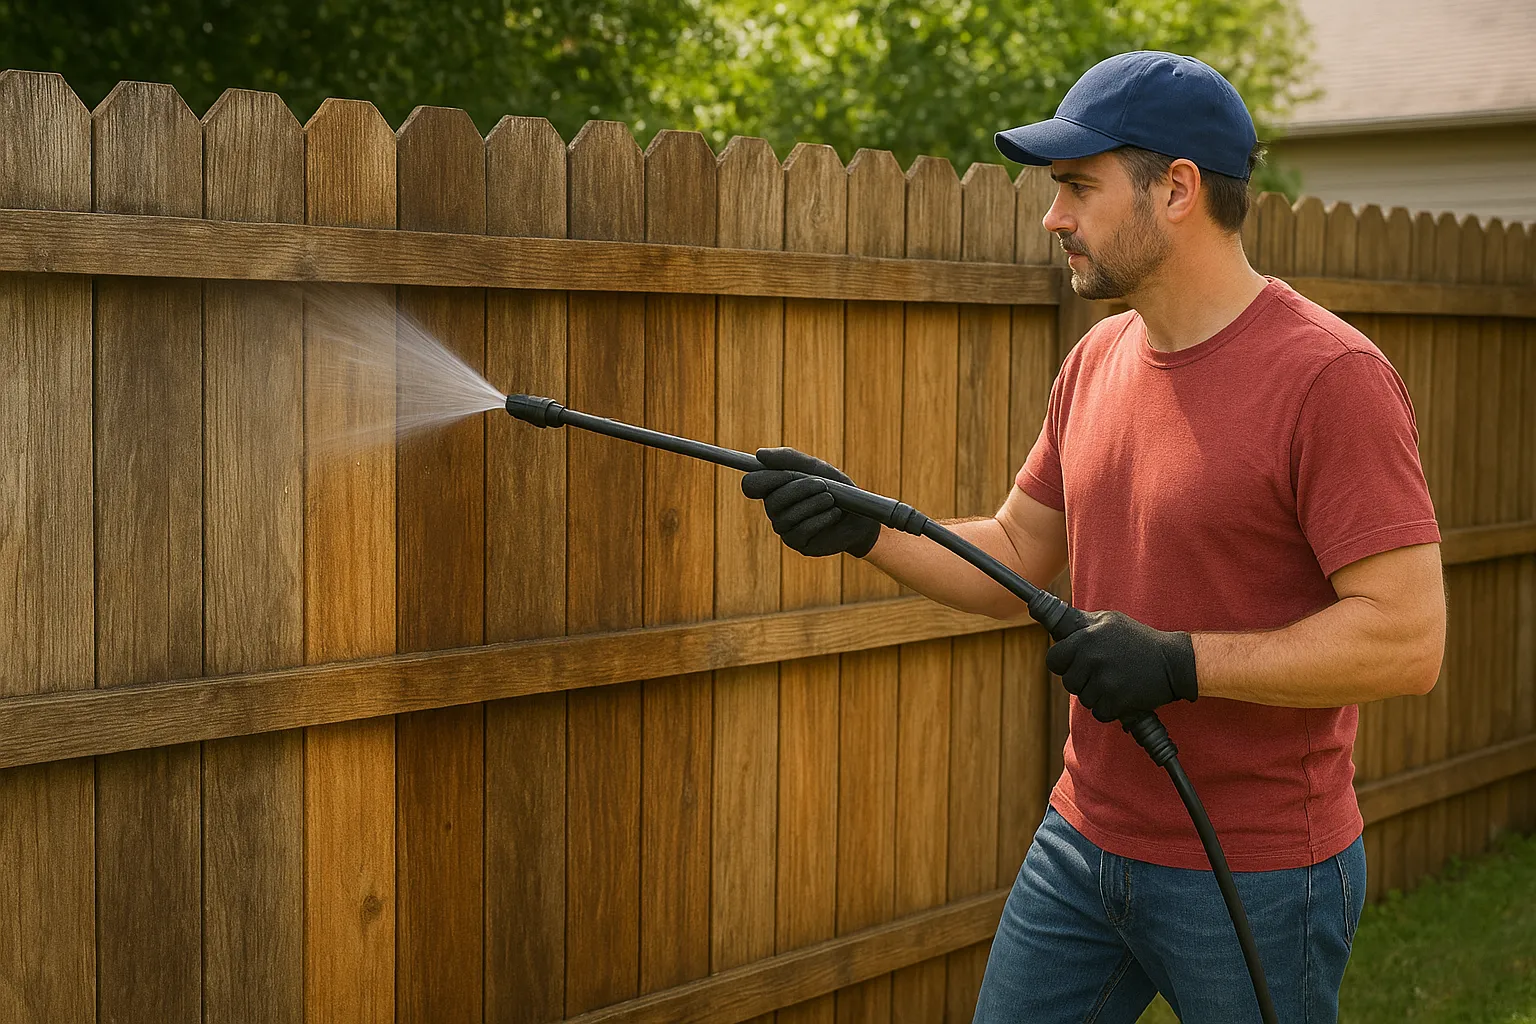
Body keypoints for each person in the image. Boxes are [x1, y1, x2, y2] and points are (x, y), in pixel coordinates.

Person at [741, 50, 1446, 1024]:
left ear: (1179, 189)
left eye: (1078, 185)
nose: (1053, 215)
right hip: (1083, 841)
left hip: (1256, 867)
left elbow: (1407, 637)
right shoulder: (1098, 359)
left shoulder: (1329, 377)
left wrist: (1179, 662)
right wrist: (862, 526)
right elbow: (1016, 551)